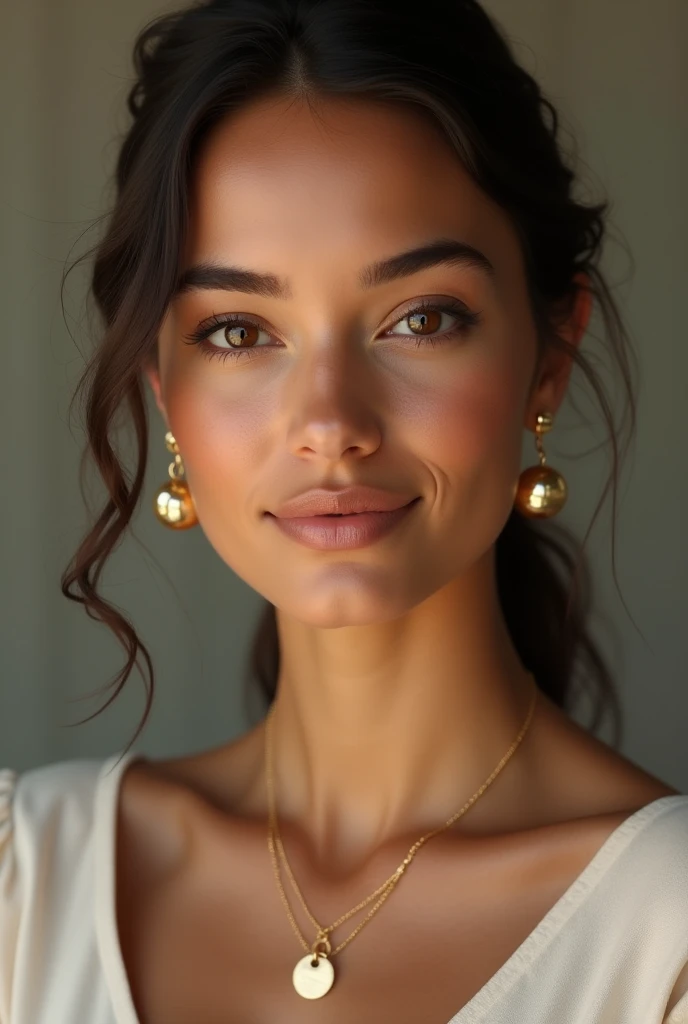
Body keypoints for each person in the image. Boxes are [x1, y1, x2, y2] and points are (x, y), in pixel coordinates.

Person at [1, 0, 687, 1021]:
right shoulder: (22, 886)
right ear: (161, 387)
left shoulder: (663, 934)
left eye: (420, 318)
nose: (329, 423)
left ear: (548, 357)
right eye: (238, 331)